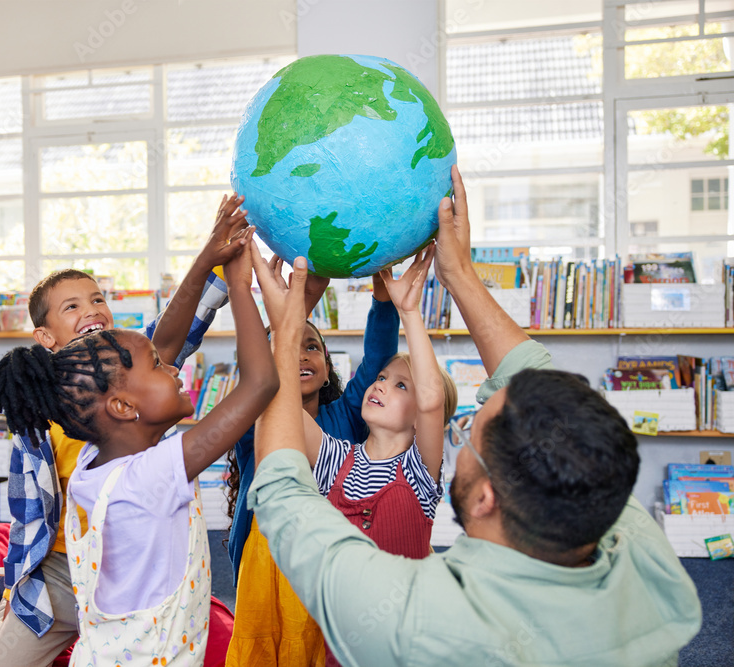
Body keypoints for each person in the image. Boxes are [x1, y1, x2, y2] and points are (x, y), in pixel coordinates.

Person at [246, 165, 702, 666]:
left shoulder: (412, 618)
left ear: (485, 496)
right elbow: (530, 375)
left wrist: (285, 331)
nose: (458, 432)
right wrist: (458, 273)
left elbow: (282, 493)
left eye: (471, 432)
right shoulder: (641, 554)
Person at [0, 232, 291, 665]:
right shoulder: (60, 416)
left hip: (117, 574)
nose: (91, 310)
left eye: (97, 299)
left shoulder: (114, 408)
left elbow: (171, 332)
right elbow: (28, 517)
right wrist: (19, 574)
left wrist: (214, 264)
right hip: (62, 566)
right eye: (71, 306)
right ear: (45, 337)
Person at [224, 260, 399, 665]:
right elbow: (265, 371)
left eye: (312, 347)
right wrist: (295, 307)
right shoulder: (256, 416)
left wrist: (384, 301)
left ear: (326, 369)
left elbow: (376, 358)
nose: (301, 355)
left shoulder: (347, 416)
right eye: (291, 346)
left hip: (327, 563)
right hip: (265, 564)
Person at [307, 243, 458, 563]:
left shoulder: (419, 469)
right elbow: (276, 398)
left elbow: (431, 400)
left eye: (401, 384)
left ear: (420, 416)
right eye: (382, 377)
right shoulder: (336, 458)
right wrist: (292, 309)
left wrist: (409, 311)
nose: (381, 384)